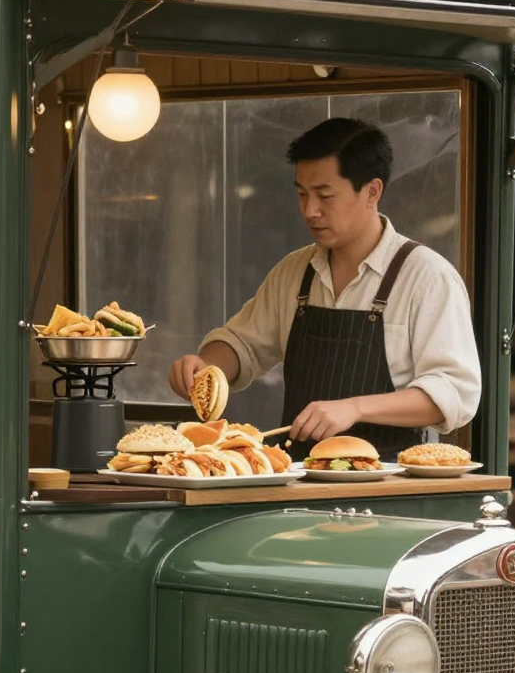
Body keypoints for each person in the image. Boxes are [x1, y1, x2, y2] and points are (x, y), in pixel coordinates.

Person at [166, 117, 480, 456]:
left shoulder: (426, 277)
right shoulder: (295, 272)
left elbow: (454, 393)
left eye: (324, 195)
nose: (310, 210)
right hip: (298, 482)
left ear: (372, 191)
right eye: (302, 194)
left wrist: (354, 408)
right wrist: (205, 369)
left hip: (391, 489)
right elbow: (242, 344)